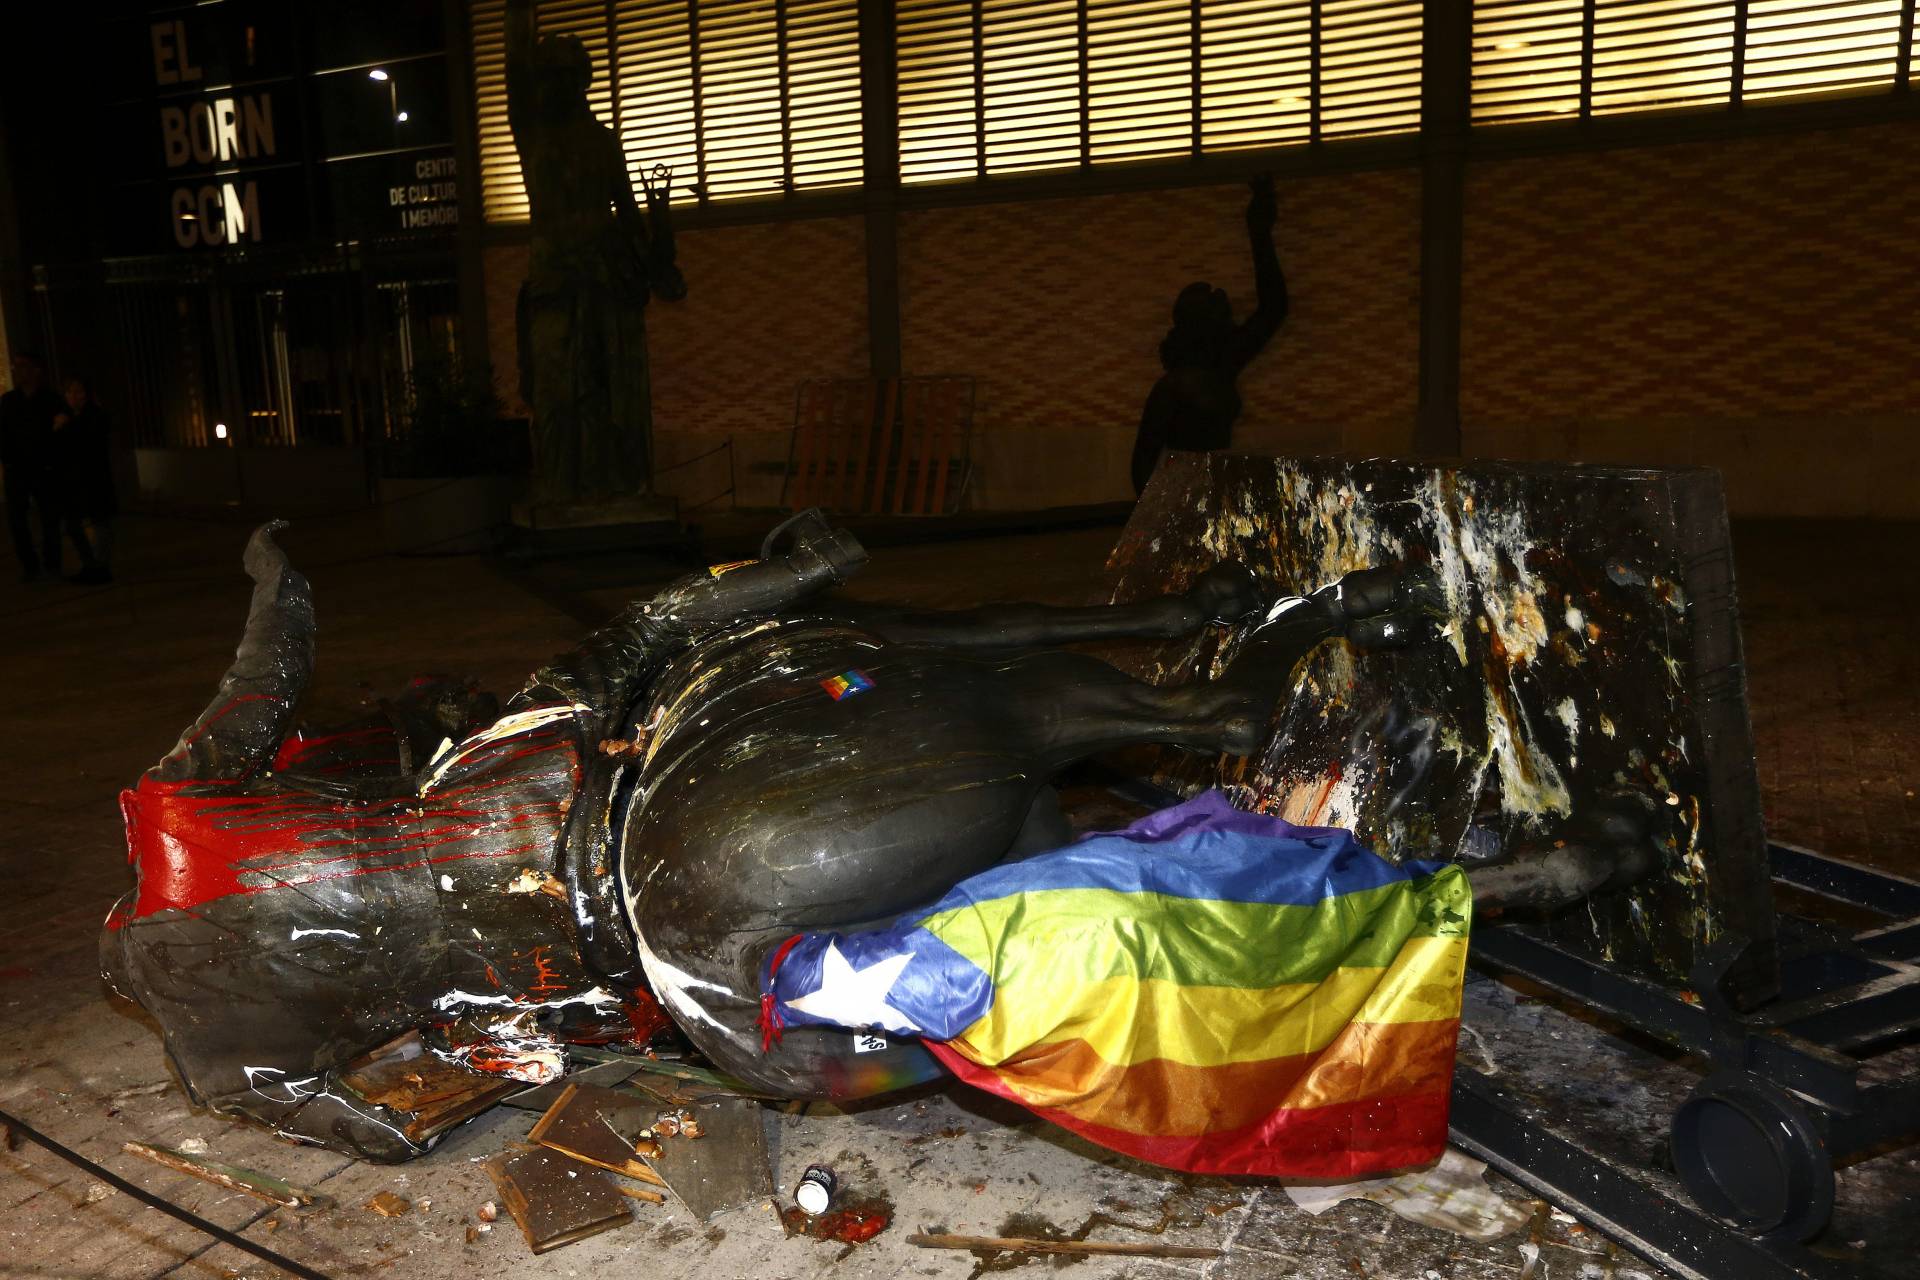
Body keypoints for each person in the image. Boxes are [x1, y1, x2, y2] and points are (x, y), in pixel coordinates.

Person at [1131, 175, 1289, 495]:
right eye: (1222, 314)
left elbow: (1273, 308)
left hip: (1218, 484)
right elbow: (1143, 459)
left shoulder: (1223, 363)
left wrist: (1259, 231)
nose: (1232, 321)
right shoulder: (1173, 387)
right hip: (1187, 490)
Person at [1, 351, 66, 581]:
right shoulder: (8, 401)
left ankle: (52, 563)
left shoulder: (50, 399)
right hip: (17, 469)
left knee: (50, 518)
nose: (18, 371)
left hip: (43, 468)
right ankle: (30, 566)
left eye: (23, 366)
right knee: (17, 520)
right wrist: (7, 459)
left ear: (35, 370)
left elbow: (61, 432)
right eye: (16, 366)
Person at [51, 375, 116, 583]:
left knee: (100, 523)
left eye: (78, 392)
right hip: (72, 481)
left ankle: (100, 567)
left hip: (95, 479)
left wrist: (65, 428)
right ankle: (91, 564)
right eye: (70, 392)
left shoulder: (96, 416)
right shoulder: (64, 417)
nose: (73, 396)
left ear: (87, 394)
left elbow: (89, 444)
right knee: (72, 524)